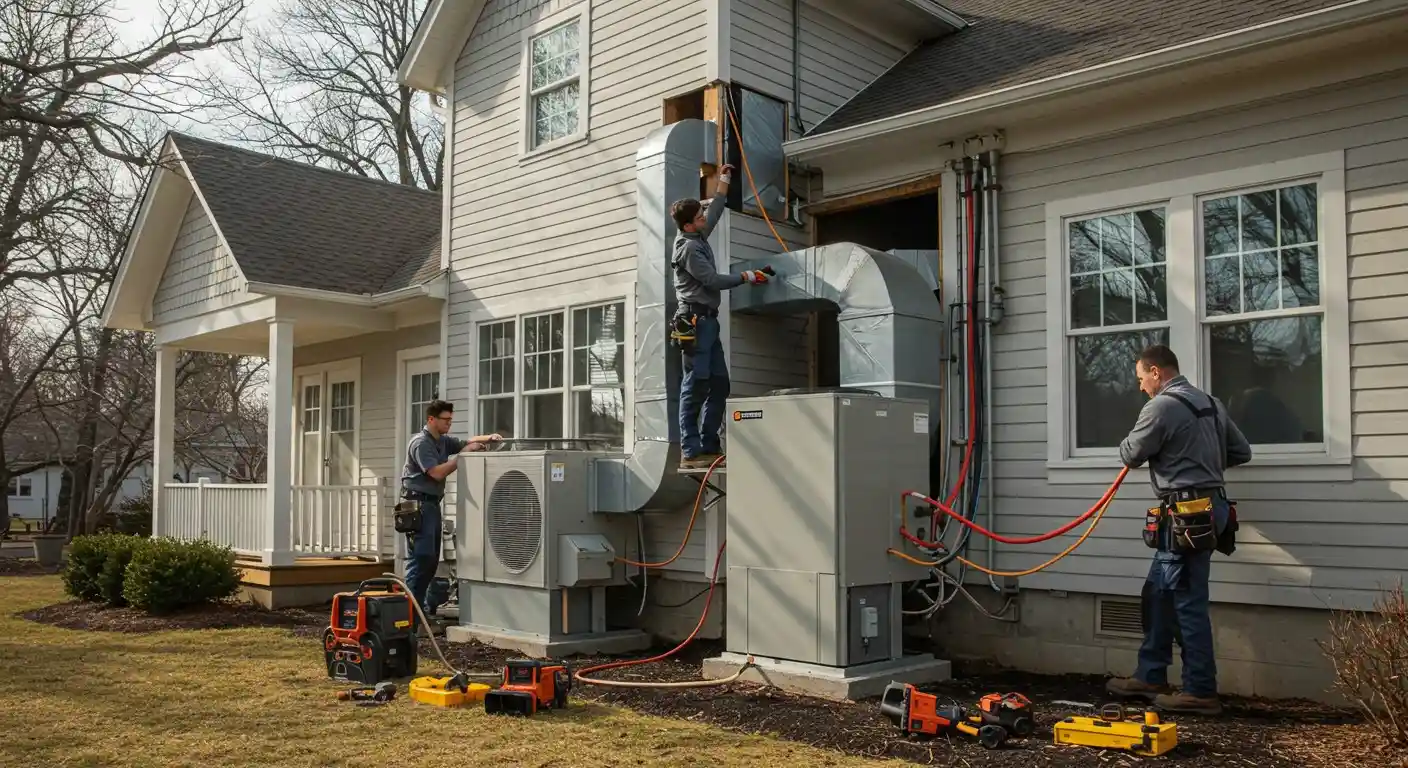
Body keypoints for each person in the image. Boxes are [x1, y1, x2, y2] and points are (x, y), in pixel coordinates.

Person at [1105, 344, 1252, 715]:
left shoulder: (1161, 407)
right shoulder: (1211, 404)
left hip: (1188, 516)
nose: (1140, 386)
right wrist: (1201, 464)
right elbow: (1241, 451)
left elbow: (1131, 454)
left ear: (1156, 372)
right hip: (1210, 509)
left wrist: (1186, 469)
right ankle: (1150, 675)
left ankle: (1200, 690)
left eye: (1141, 378)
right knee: (1158, 593)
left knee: (1187, 601)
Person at [670, 162, 773, 468]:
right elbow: (712, 280)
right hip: (694, 322)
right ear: (689, 225)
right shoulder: (689, 249)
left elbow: (714, 211)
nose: (704, 218)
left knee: (719, 384)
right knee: (696, 384)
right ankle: (691, 451)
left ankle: (709, 446)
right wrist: (746, 276)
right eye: (699, 217)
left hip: (708, 323)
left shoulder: (697, 235)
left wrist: (724, 180)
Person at [400, 399, 500, 619]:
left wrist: (489, 438)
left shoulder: (443, 441)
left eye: (451, 420)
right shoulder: (421, 443)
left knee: (431, 560)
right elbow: (436, 473)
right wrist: (463, 456)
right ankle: (408, 616)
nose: (449, 424)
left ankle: (419, 612)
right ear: (431, 419)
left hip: (431, 505)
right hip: (416, 505)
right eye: (445, 420)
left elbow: (467, 441)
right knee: (421, 558)